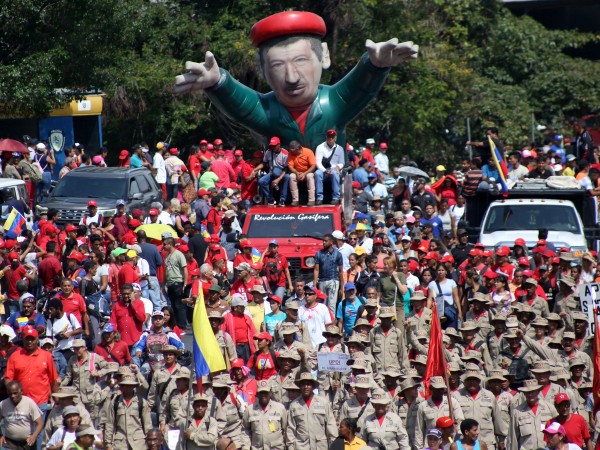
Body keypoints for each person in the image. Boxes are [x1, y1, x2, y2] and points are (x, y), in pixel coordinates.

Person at [175, 11, 418, 149]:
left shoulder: (332, 103)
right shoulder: (268, 111)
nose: (291, 78)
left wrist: (374, 66)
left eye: (300, 61)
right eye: (278, 66)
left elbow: (357, 89)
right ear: (262, 69)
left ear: (323, 56)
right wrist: (218, 83)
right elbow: (243, 107)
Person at [286, 372, 337, 450]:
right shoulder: (294, 405)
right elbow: (291, 429)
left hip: (320, 446)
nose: (305, 387)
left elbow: (331, 425)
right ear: (299, 387)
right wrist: (290, 447)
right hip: (301, 447)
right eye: (303, 384)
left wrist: (333, 445)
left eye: (308, 384)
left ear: (313, 386)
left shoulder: (323, 402)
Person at [0, 380, 44, 450]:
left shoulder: (29, 402)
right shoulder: (3, 404)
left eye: (15, 393)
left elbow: (40, 423)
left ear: (21, 392)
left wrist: (34, 436)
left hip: (27, 443)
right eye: (10, 394)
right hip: (10, 442)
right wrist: (0, 435)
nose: (13, 396)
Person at [314, 233, 344, 314]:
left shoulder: (338, 254)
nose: (323, 242)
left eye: (326, 241)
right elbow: (316, 269)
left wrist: (342, 287)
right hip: (322, 280)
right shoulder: (319, 254)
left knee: (332, 305)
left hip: (334, 280)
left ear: (331, 242)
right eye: (323, 241)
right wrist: (314, 284)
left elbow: (341, 271)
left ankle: (332, 325)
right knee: (322, 304)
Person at [162, 237, 188, 330]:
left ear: (170, 244)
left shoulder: (179, 254)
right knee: (173, 305)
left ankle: (182, 326)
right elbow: (166, 271)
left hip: (177, 282)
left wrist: (185, 283)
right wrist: (163, 284)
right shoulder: (167, 256)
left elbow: (185, 269)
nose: (163, 246)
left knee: (179, 305)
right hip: (170, 283)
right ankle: (176, 325)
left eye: (165, 244)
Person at [257, 137, 289, 206]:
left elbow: (286, 169)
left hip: (282, 173)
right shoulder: (268, 152)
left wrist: (278, 179)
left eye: (274, 146)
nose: (272, 147)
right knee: (261, 181)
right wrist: (255, 170)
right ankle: (270, 200)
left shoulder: (285, 153)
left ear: (279, 145)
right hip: (272, 173)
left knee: (287, 177)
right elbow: (264, 163)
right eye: (271, 145)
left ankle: (282, 200)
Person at [315, 129, 344, 205]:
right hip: (323, 169)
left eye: (332, 137)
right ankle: (319, 198)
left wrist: (338, 166)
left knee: (335, 173)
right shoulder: (320, 147)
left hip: (334, 169)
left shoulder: (340, 149)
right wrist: (324, 170)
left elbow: (342, 162)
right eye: (329, 137)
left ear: (335, 138)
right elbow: (318, 162)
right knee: (317, 173)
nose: (330, 139)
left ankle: (335, 197)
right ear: (326, 137)